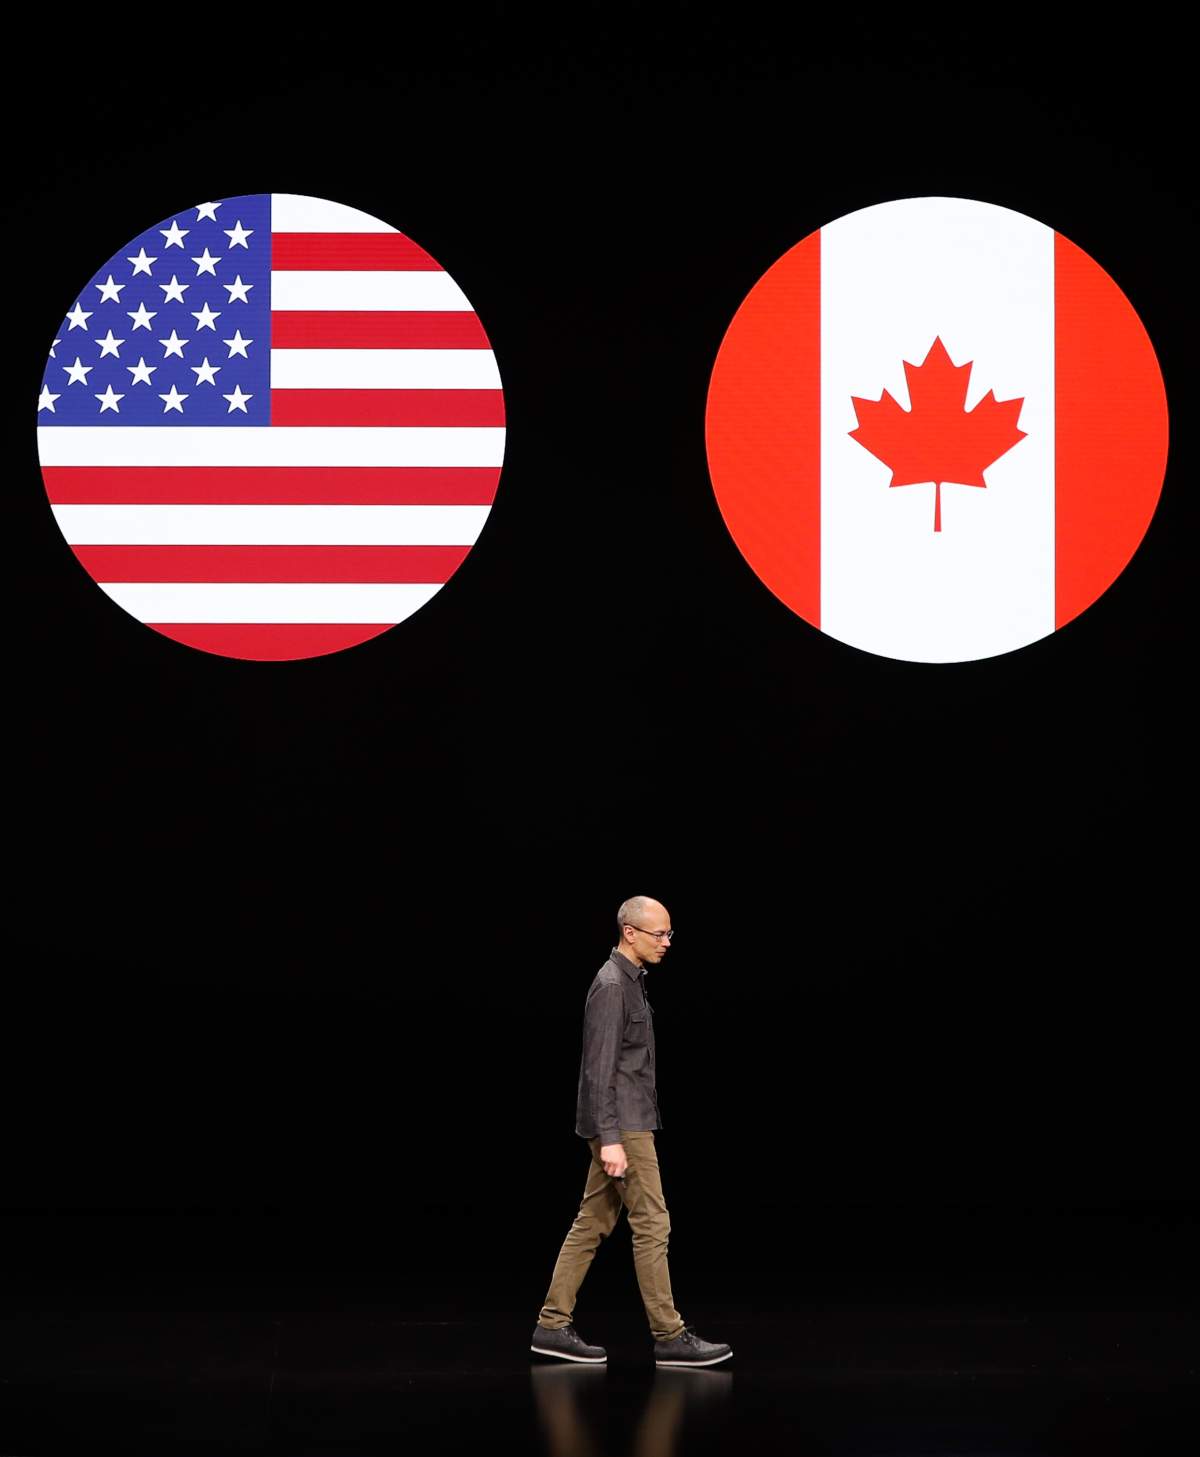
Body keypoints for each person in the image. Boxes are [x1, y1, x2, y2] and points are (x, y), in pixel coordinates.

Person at [531, 896, 732, 1367]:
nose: (667, 942)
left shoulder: (631, 981)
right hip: (623, 1125)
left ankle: (551, 1326)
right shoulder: (611, 986)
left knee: (592, 1221)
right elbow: (598, 1069)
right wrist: (611, 1138)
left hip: (625, 1120)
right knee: (652, 1222)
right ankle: (669, 1335)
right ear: (630, 932)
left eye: (669, 934)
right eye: (659, 934)